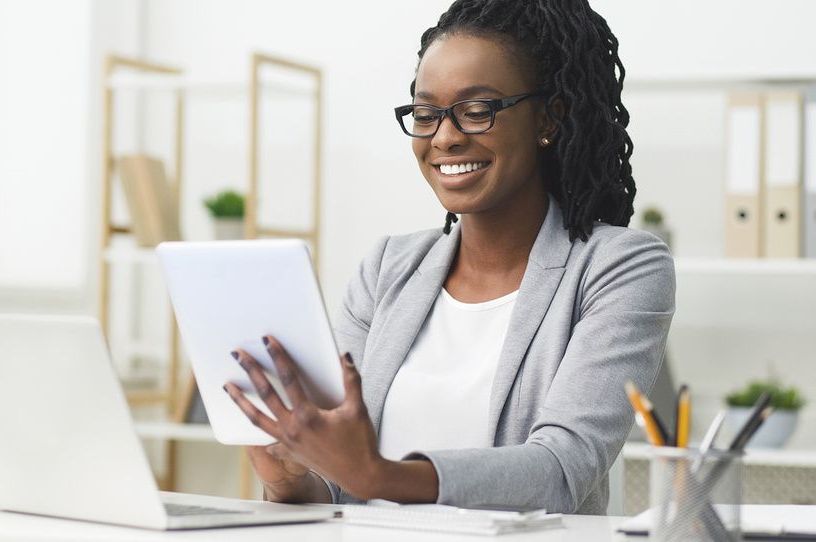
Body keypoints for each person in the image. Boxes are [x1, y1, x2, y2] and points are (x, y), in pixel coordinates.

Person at [223, 0, 675, 514]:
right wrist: (292, 483)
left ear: (548, 117)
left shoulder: (619, 267)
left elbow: (560, 470)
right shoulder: (387, 268)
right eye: (425, 114)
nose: (444, 137)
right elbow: (339, 486)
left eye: (477, 110)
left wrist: (379, 475)